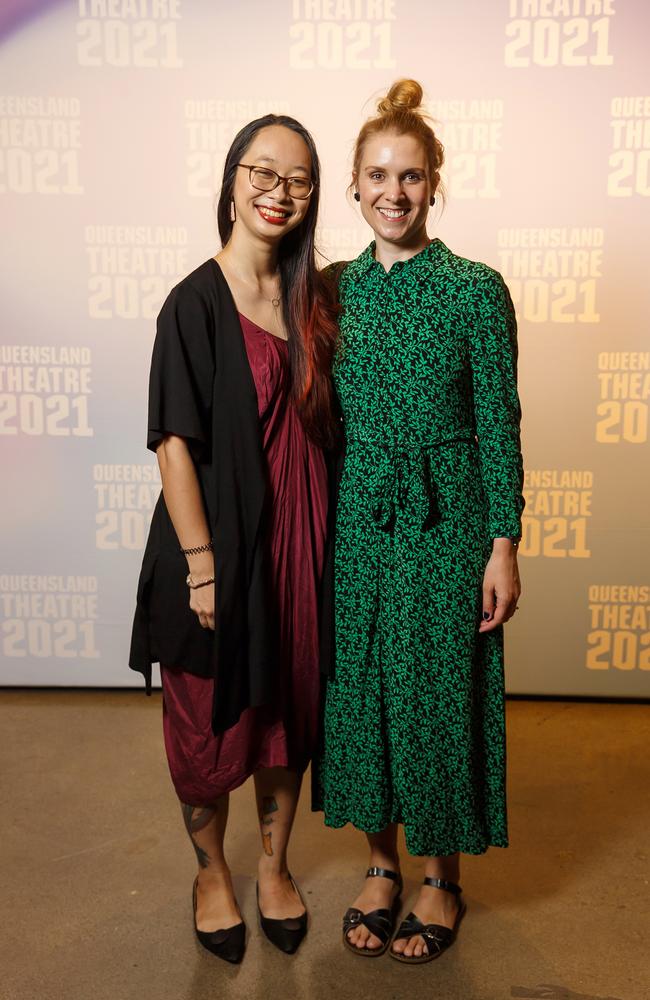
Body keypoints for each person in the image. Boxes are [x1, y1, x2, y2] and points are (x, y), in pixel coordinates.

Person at [317, 79, 524, 964]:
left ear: (435, 182)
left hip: (451, 518)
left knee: (438, 690)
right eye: (375, 176)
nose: (392, 193)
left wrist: (504, 541)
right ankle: (379, 864)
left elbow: (498, 421)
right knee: (360, 688)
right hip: (359, 513)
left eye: (410, 176)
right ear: (354, 188)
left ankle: (440, 877)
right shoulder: (329, 292)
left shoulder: (476, 289)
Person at [129, 115, 338, 963]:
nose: (277, 191)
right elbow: (174, 443)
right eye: (263, 171)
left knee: (285, 717)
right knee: (210, 732)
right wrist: (203, 570)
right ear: (230, 179)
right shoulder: (193, 302)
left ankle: (277, 867)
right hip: (217, 559)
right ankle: (213, 872)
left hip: (303, 552)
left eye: (297, 179)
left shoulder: (316, 301)